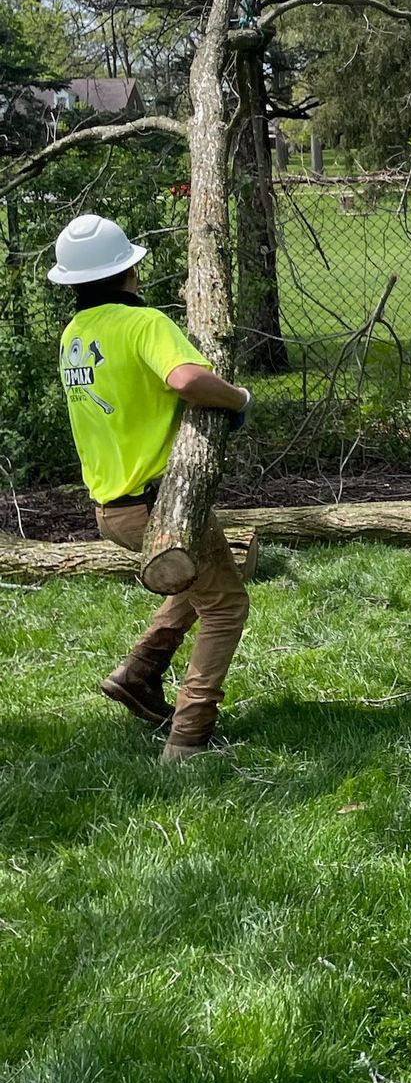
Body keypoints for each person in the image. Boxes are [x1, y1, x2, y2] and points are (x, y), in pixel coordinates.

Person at [51, 212, 253, 761]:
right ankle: (188, 739)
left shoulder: (74, 335)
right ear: (129, 271)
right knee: (225, 607)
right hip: (158, 504)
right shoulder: (143, 323)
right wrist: (237, 399)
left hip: (111, 507)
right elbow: (186, 378)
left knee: (205, 582)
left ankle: (138, 674)